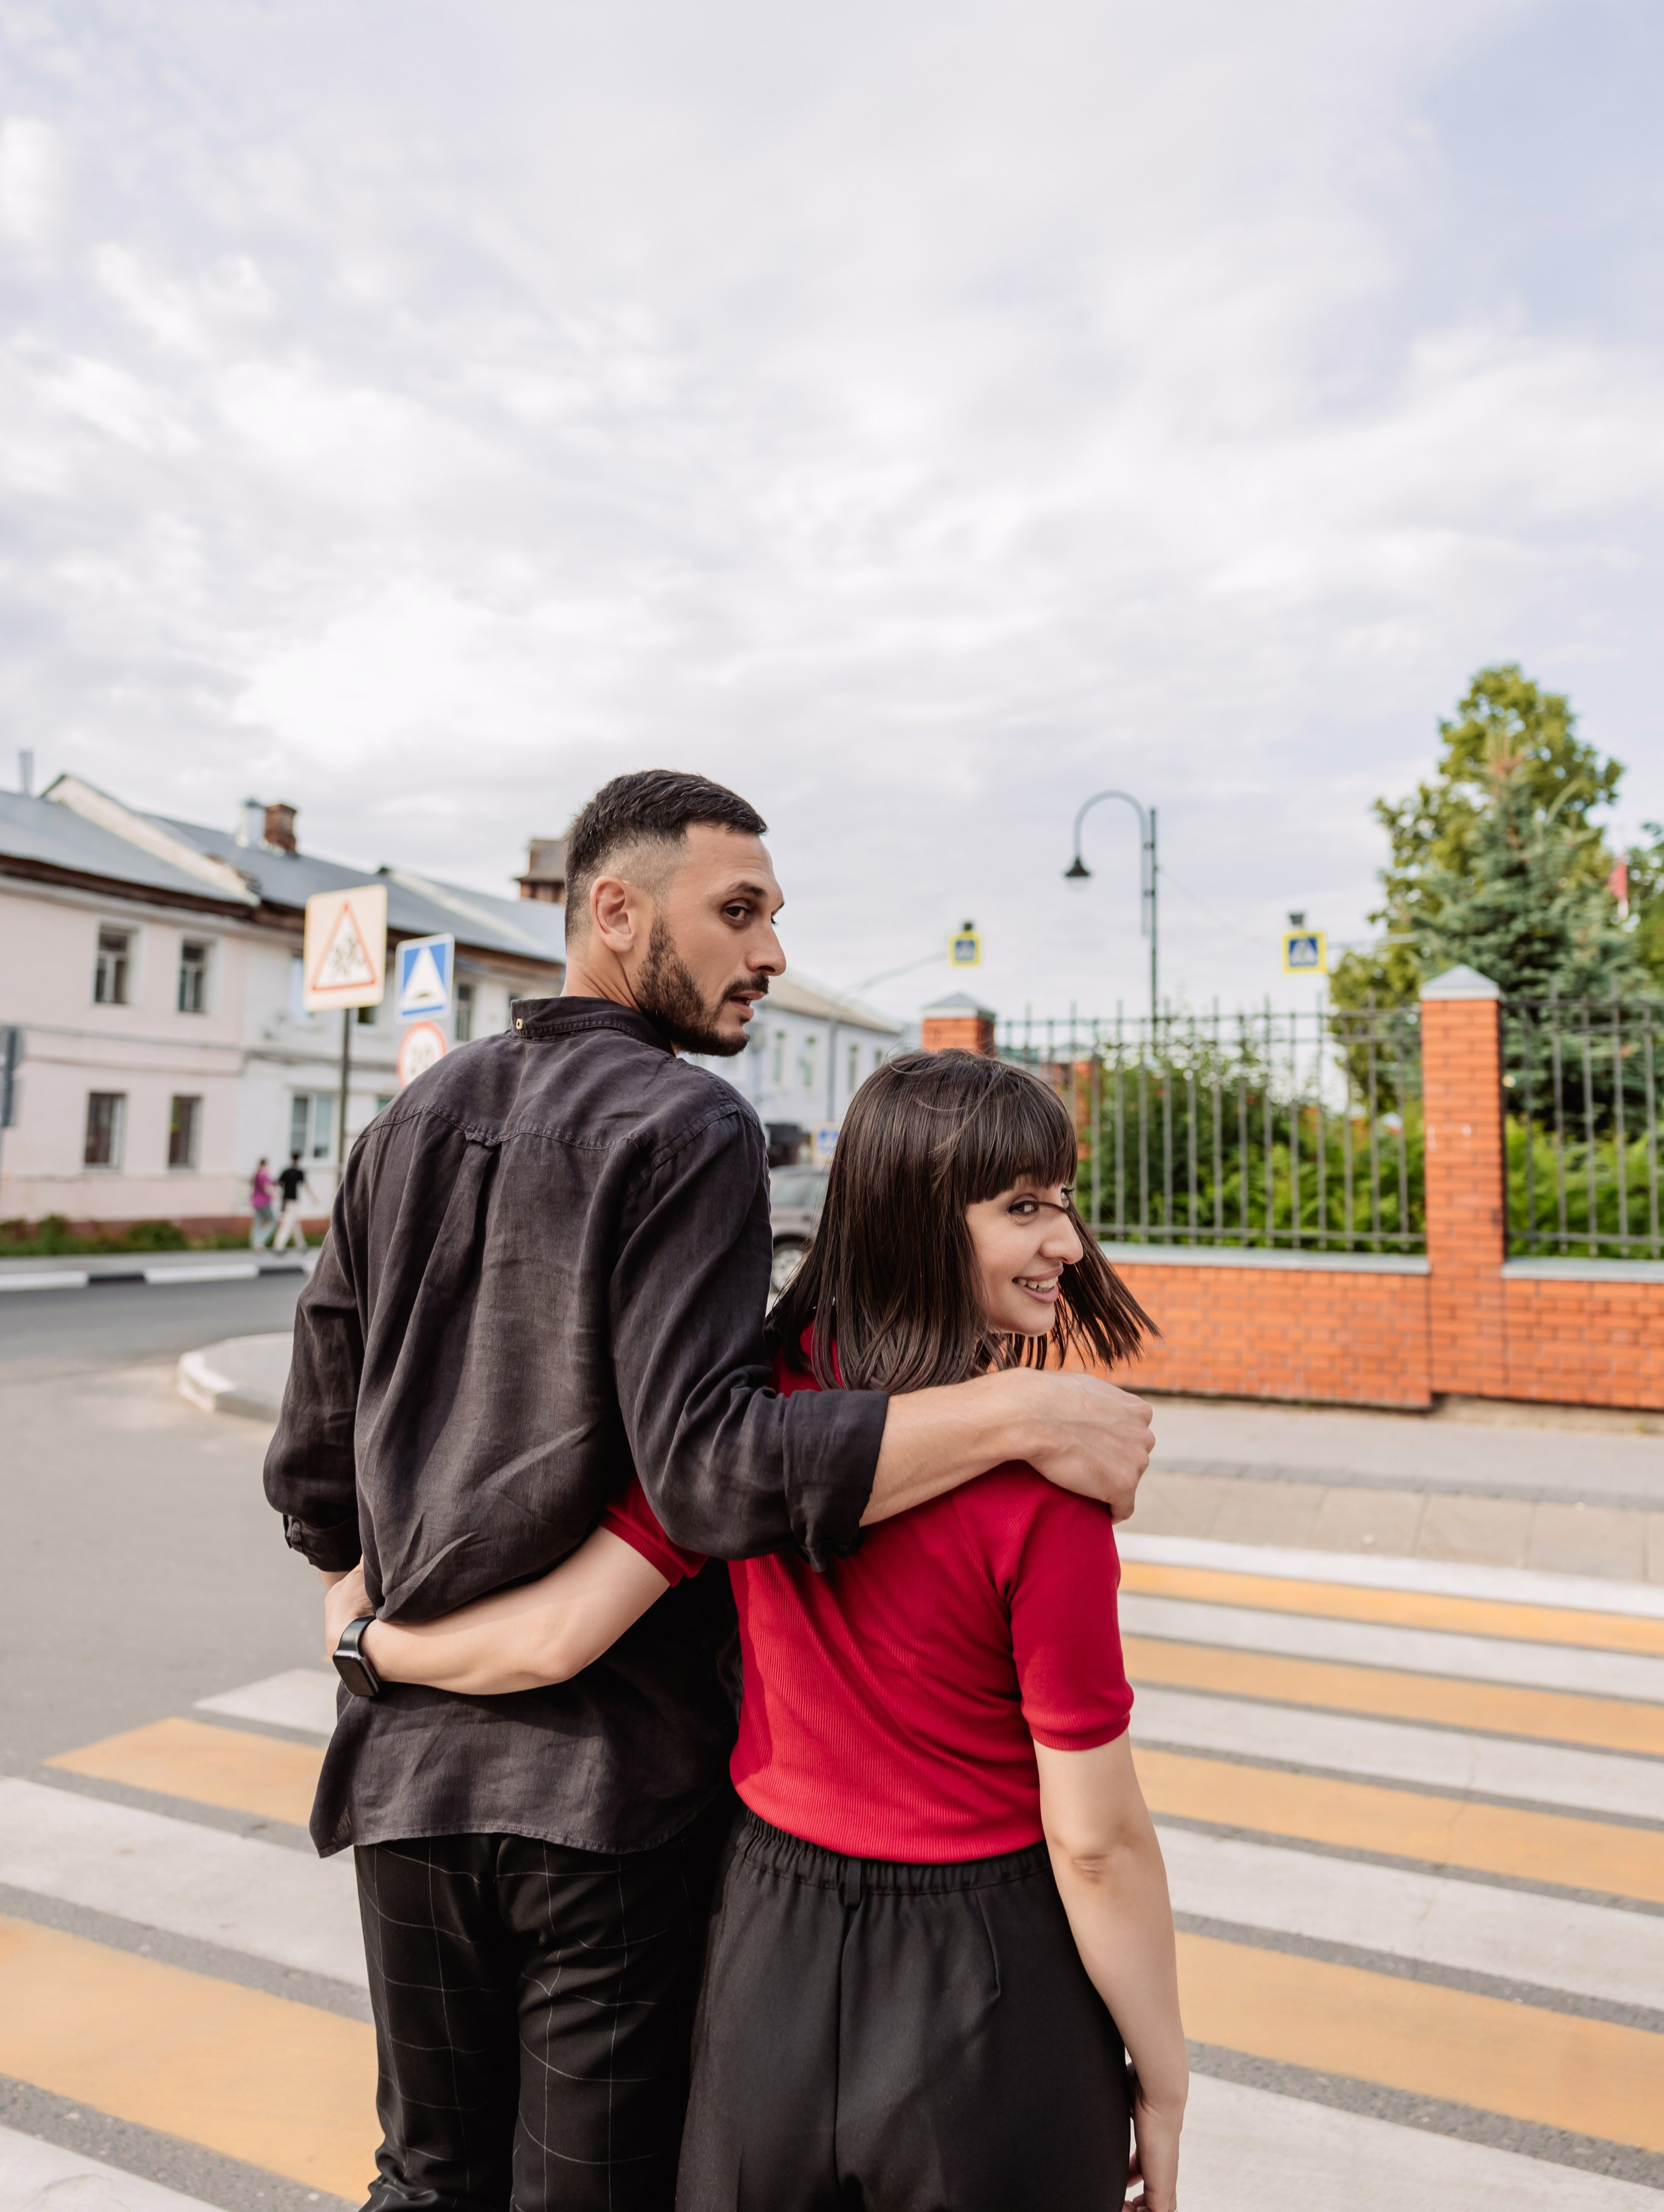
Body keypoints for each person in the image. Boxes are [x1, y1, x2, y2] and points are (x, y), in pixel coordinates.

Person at [266, 769, 1156, 2212]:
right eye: (738, 913)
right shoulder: (687, 1125)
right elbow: (711, 1470)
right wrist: (1011, 1407)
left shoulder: (408, 1120)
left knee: (425, 2180)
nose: (772, 954)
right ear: (616, 912)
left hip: (410, 1783)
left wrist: (357, 1609)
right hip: (604, 1798)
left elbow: (314, 1446)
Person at [269, 1151, 311, 1251]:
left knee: (294, 1223)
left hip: (286, 1201)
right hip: (294, 1201)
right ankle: (278, 1246)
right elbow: (305, 1186)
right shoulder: (299, 1172)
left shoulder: (286, 1172)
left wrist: (277, 1195)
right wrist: (313, 1198)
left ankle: (301, 1245)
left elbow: (278, 1184)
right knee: (288, 1223)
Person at [248, 1156, 276, 1250]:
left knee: (258, 1221)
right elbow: (266, 1188)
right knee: (272, 1221)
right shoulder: (264, 1175)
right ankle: (260, 1241)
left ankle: (254, 1242)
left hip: (256, 1201)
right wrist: (275, 1193)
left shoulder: (257, 1174)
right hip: (264, 1202)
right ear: (266, 1165)